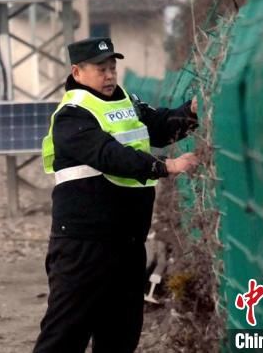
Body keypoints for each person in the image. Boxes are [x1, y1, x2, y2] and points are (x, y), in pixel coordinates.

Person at [33, 36, 200, 353]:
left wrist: (191, 111)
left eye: (112, 68)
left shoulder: (126, 102)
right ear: (77, 72)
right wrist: (165, 166)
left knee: (121, 335)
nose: (110, 75)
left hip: (127, 244)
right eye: (101, 69)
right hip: (83, 247)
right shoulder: (72, 116)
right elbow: (111, 156)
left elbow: (162, 125)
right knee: (65, 336)